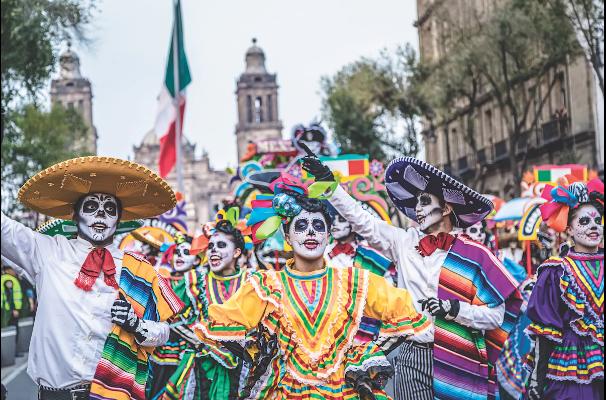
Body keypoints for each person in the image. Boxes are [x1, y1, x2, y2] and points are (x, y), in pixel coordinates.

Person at [302, 155, 522, 400]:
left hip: (458, 357)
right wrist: (331, 186)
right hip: (411, 355)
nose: (417, 208)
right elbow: (362, 220)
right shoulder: (403, 242)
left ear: (447, 208)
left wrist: (455, 310)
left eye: (425, 201)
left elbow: (496, 317)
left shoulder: (475, 256)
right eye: (416, 202)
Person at [194, 173, 431, 400]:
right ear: (287, 237)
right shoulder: (266, 286)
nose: (310, 231)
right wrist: (264, 356)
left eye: (318, 226)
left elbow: (405, 314)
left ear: (328, 235)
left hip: (343, 391)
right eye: (301, 226)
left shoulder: (354, 281)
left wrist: (367, 354)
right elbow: (223, 325)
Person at [1, 157, 183, 400]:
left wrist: (137, 324)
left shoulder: (138, 270)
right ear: (75, 216)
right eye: (91, 207)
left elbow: (164, 332)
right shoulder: (48, 252)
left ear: (118, 221)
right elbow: (5, 230)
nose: (100, 213)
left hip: (113, 394)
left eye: (110, 209)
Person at [525, 176, 604, 400]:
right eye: (585, 222)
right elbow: (545, 332)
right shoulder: (556, 271)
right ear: (569, 228)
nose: (593, 227)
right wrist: (536, 380)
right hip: (570, 373)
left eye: (598, 221)